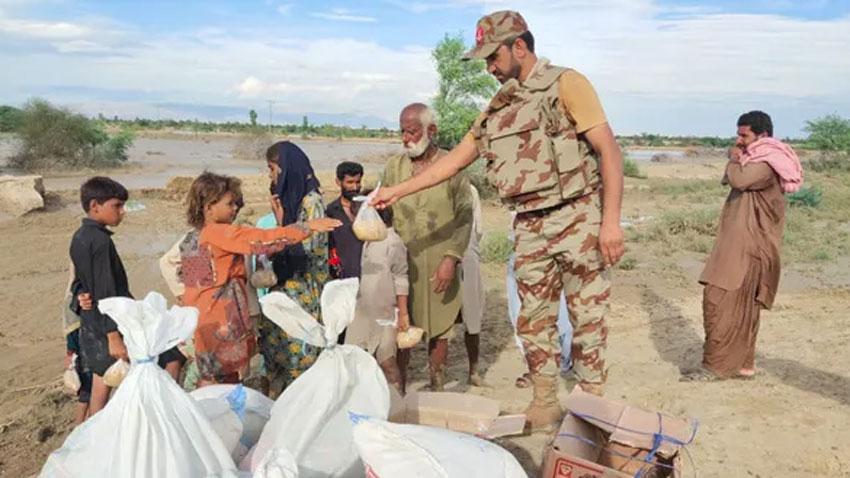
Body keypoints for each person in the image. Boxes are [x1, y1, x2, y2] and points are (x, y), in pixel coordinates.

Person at [373, 11, 625, 430]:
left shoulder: (566, 84)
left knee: (588, 317)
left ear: (520, 47)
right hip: (528, 224)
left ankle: (590, 406)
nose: (489, 68)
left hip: (578, 217)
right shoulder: (498, 107)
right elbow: (454, 161)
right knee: (534, 319)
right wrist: (397, 191)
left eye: (493, 57)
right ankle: (544, 401)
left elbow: (609, 152)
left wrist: (610, 222)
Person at [179, 171, 340, 388]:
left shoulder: (194, 237)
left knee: (212, 374)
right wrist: (306, 227)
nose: (235, 208)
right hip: (221, 319)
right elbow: (260, 240)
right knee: (221, 379)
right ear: (209, 207)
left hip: (204, 319)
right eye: (230, 204)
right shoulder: (218, 233)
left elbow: (194, 286)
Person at [682, 111, 801, 382]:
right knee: (740, 304)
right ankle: (743, 365)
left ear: (763, 136)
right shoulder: (755, 159)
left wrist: (734, 158)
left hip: (749, 246)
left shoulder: (767, 162)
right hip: (742, 244)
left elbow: (738, 179)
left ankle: (716, 367)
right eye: (738, 134)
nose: (739, 140)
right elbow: (734, 178)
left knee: (719, 298)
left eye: (744, 135)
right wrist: (736, 160)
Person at [382, 103, 473, 391]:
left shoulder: (453, 168)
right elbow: (384, 212)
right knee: (401, 328)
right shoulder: (394, 168)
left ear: (431, 131)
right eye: (402, 132)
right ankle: (400, 392)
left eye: (411, 132)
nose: (405, 139)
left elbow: (465, 217)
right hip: (401, 265)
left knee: (441, 329)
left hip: (439, 264)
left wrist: (451, 257)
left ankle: (436, 385)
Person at [259, 141, 334, 397]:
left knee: (301, 358)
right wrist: (281, 223)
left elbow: (308, 248)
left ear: (286, 168)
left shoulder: (311, 202)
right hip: (288, 288)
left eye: (273, 169)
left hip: (304, 291)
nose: (271, 177)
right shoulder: (292, 204)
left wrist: (284, 231)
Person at [68, 177, 132, 415]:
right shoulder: (101, 242)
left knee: (100, 382)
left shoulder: (79, 236)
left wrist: (80, 295)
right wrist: (114, 335)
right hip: (107, 325)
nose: (122, 212)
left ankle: (89, 433)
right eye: (117, 206)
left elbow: (80, 282)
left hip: (91, 322)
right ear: (95, 206)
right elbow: (106, 290)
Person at [344, 195, 409, 394]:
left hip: (385, 313)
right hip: (363, 312)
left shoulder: (392, 241)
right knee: (356, 360)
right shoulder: (367, 241)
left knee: (387, 361)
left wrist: (403, 313)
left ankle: (398, 403)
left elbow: (400, 277)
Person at [460, 184, 485, 386]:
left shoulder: (470, 190)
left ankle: (473, 370)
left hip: (467, 253)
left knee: (472, 313)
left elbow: (477, 229)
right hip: (458, 254)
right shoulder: (469, 189)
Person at [326, 161, 365, 280]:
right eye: (350, 182)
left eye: (358, 182)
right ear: (338, 182)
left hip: (369, 274)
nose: (355, 187)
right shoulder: (331, 211)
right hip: (343, 278)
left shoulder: (368, 208)